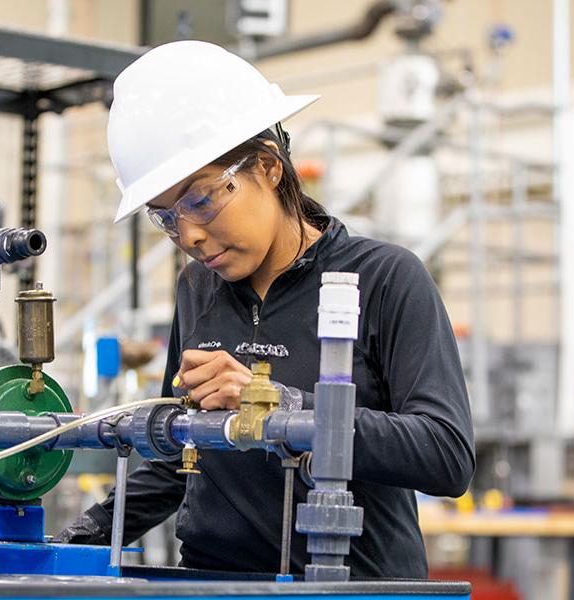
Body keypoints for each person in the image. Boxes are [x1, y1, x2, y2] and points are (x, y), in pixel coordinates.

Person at [56, 40, 475, 580]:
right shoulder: (197, 288)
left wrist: (283, 408)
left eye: (202, 199)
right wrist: (76, 538)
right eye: (165, 217)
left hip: (350, 588)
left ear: (269, 168)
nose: (189, 234)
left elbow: (445, 454)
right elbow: (180, 455)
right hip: (212, 584)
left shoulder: (385, 278)